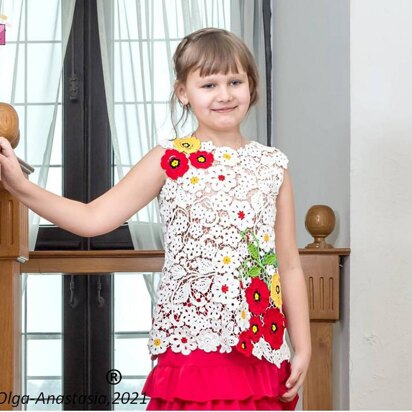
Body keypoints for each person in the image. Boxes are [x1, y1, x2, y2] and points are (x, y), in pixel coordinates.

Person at [0, 28, 311, 410]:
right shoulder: (169, 160)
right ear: (183, 92)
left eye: (235, 81)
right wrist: (20, 187)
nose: (225, 94)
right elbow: (93, 218)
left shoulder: (272, 165)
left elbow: (289, 264)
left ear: (251, 85)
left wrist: (304, 346)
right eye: (209, 83)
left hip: (261, 344)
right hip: (191, 342)